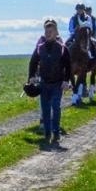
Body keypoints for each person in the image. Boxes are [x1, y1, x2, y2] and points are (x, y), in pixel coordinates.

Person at [29, 18, 69, 147]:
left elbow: (68, 65)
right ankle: (47, 133)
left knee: (56, 107)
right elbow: (33, 62)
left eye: (50, 31)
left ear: (56, 32)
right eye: (46, 31)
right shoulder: (40, 48)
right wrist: (31, 76)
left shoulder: (62, 48)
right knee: (45, 109)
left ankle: (56, 132)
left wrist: (66, 81)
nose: (48, 34)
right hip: (44, 84)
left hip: (57, 84)